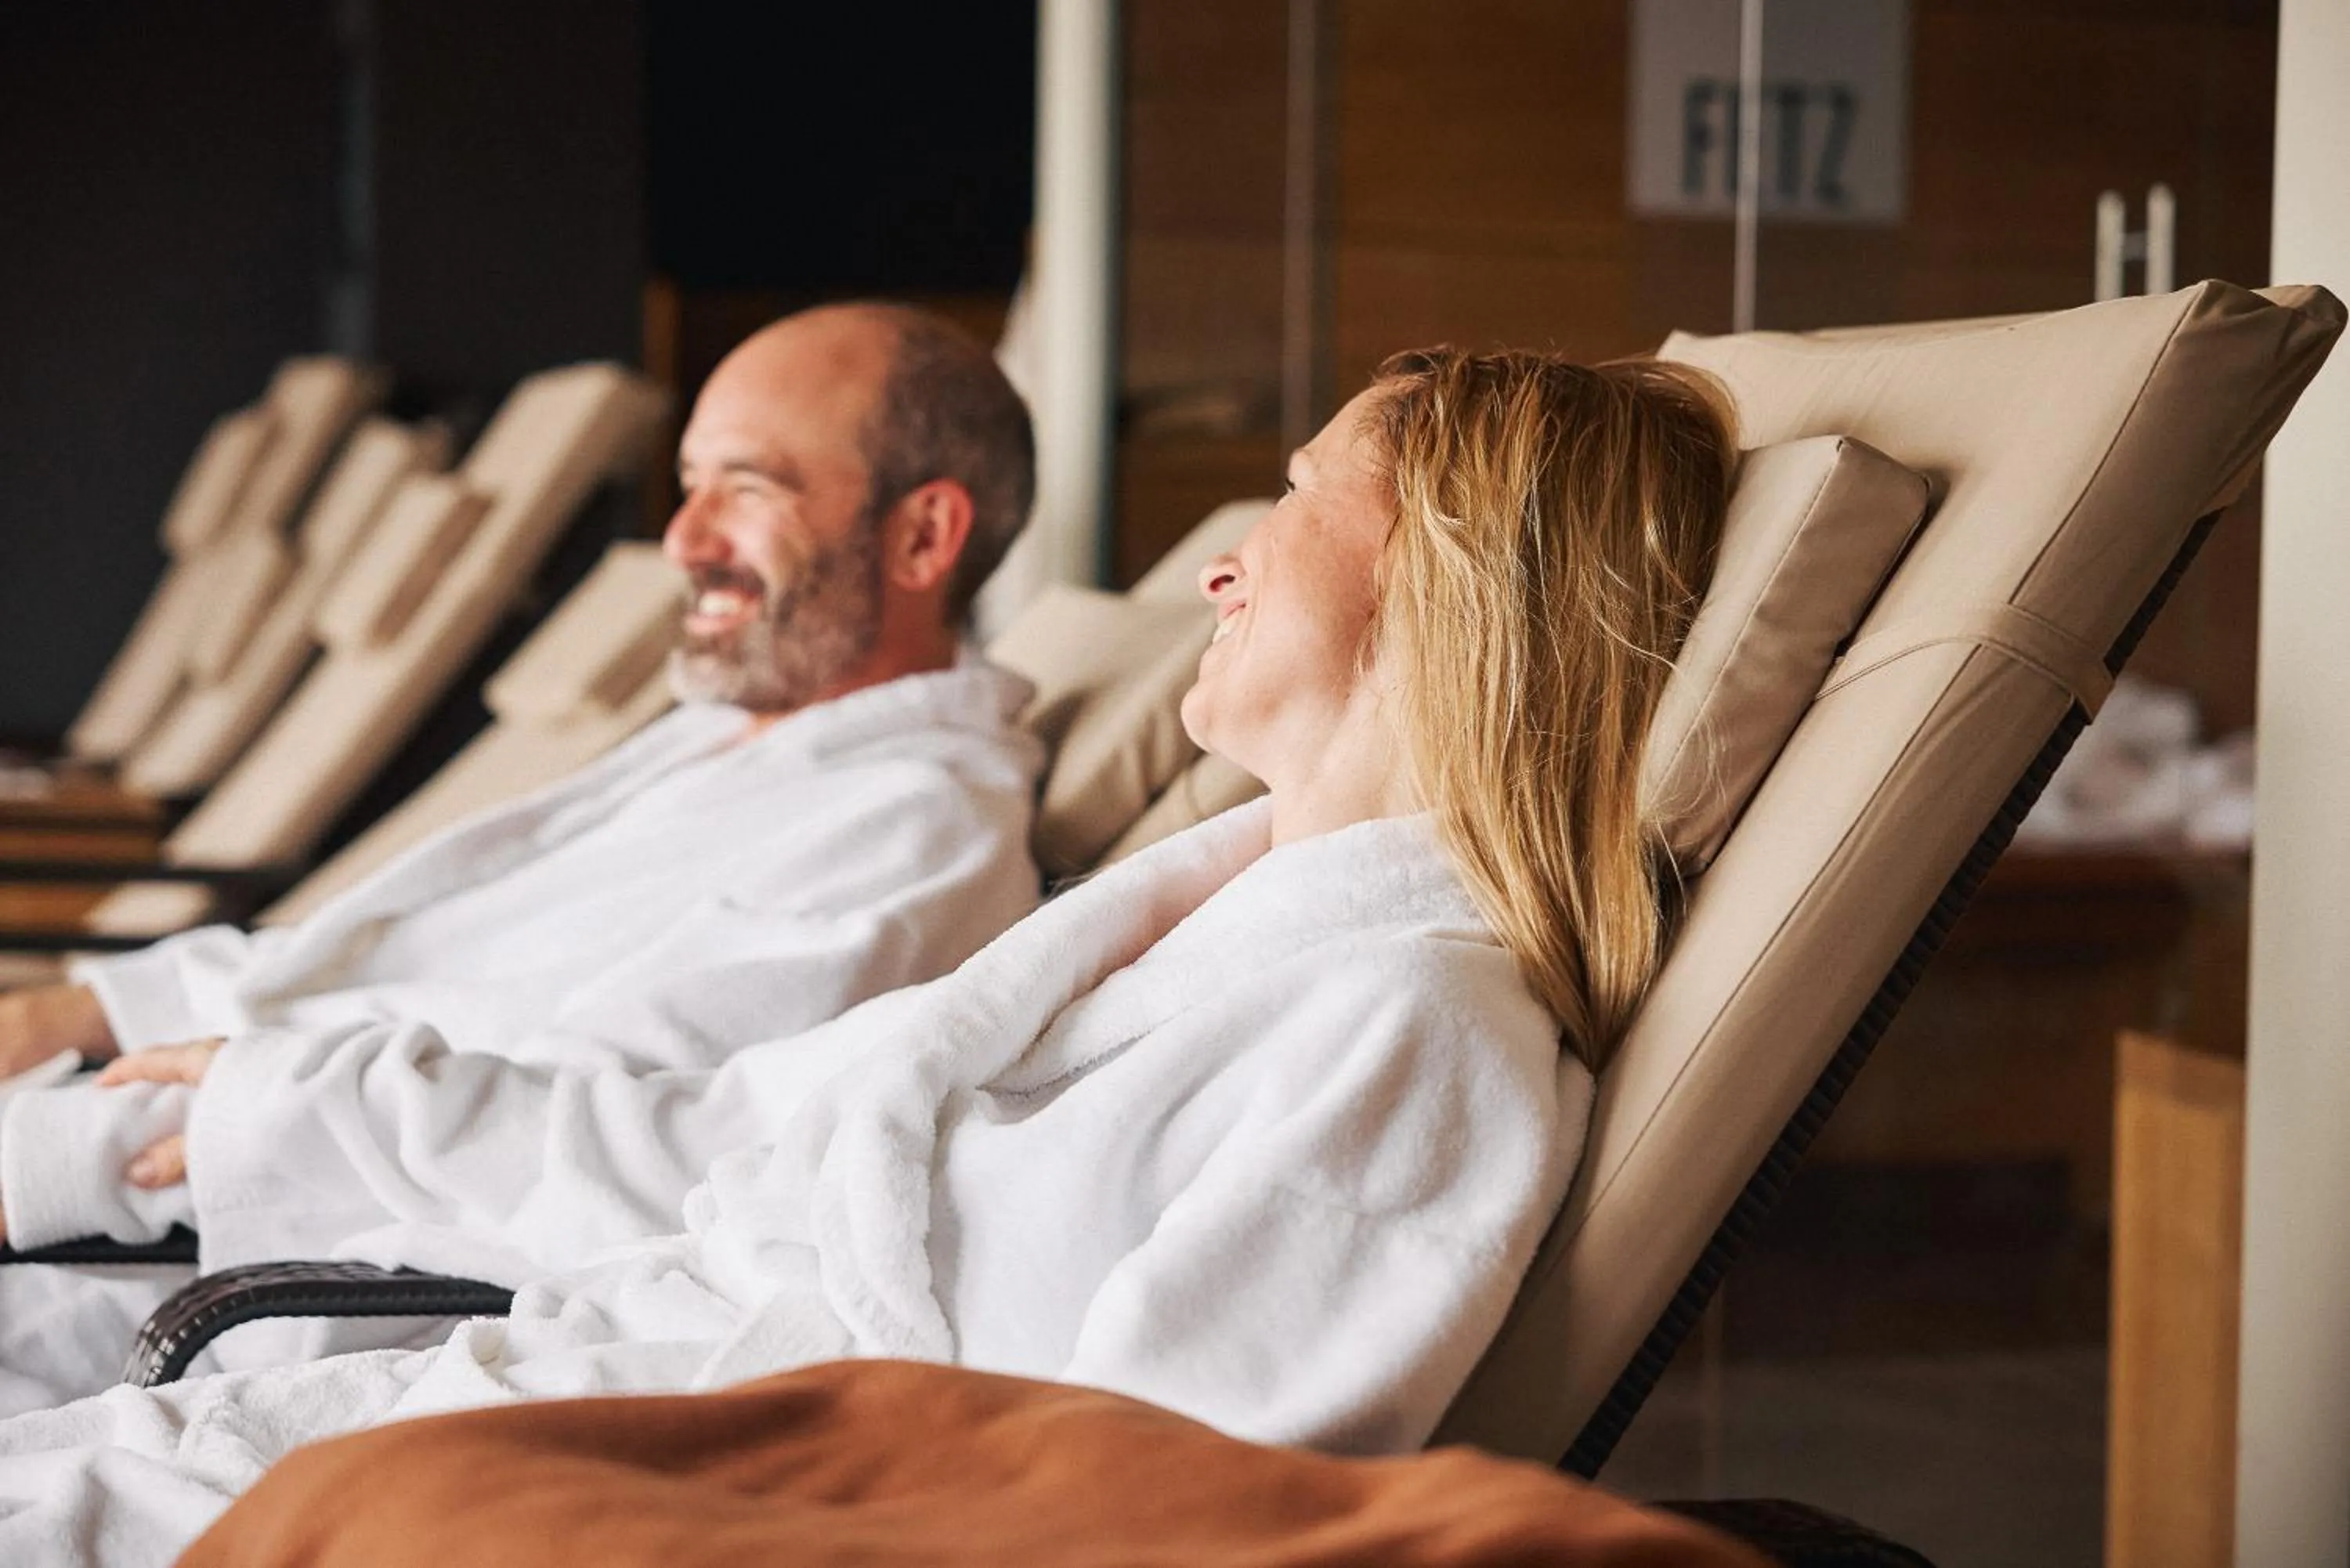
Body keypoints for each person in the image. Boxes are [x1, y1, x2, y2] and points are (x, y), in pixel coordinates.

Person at [0, 346, 1737, 1565]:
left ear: (1445, 569)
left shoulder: (1416, 1042)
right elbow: (753, 1141)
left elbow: (1148, 1498)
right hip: (562, 1388)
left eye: (1292, 495)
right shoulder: (1185, 934)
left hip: (617, 1467)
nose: (1222, 559)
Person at [0, 302, 1048, 1413]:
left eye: (746, 488)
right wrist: (84, 1008)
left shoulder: (910, 830)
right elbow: (392, 958)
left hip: (236, 1263)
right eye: (689, 484)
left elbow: (561, 1130)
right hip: (162, 1148)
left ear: (924, 537)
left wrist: (70, 1151)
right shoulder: (732, 738)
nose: (684, 540)